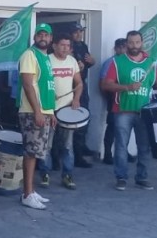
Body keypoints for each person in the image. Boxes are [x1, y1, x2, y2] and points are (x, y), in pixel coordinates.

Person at [101, 30, 157, 191]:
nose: (134, 45)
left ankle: (142, 178)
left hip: (145, 111)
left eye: (137, 42)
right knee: (121, 146)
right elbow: (106, 84)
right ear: (126, 43)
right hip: (122, 110)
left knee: (144, 146)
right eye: (130, 42)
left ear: (141, 43)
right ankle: (121, 177)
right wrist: (127, 87)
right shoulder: (117, 62)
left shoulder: (150, 62)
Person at [18, 23, 56, 209]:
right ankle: (26, 194)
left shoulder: (46, 57)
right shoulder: (29, 55)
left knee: (37, 152)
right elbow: (27, 85)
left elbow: (47, 87)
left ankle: (31, 191)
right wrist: (38, 111)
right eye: (40, 34)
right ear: (34, 37)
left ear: (50, 39)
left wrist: (51, 111)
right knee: (31, 153)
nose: (43, 37)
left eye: (46, 35)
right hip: (32, 111)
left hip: (44, 111)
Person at [46, 33, 83, 190]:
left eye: (68, 46)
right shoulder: (47, 60)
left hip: (67, 110)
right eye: (62, 45)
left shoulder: (72, 61)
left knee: (67, 145)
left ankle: (67, 175)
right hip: (49, 109)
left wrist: (76, 99)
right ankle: (44, 173)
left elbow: (79, 83)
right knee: (46, 145)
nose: (65, 48)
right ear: (54, 45)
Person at [69, 22, 95, 168]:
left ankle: (81, 149)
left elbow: (88, 61)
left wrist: (91, 62)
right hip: (69, 87)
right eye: (76, 32)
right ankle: (75, 156)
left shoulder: (83, 46)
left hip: (81, 86)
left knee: (84, 118)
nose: (79, 34)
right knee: (70, 124)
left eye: (80, 32)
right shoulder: (68, 46)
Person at [99, 38, 127, 165]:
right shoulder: (110, 62)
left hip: (128, 98)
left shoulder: (129, 62)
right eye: (119, 47)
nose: (122, 49)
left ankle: (123, 152)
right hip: (114, 98)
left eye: (124, 47)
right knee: (112, 127)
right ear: (115, 48)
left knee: (125, 127)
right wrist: (110, 96)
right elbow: (102, 83)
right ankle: (108, 154)